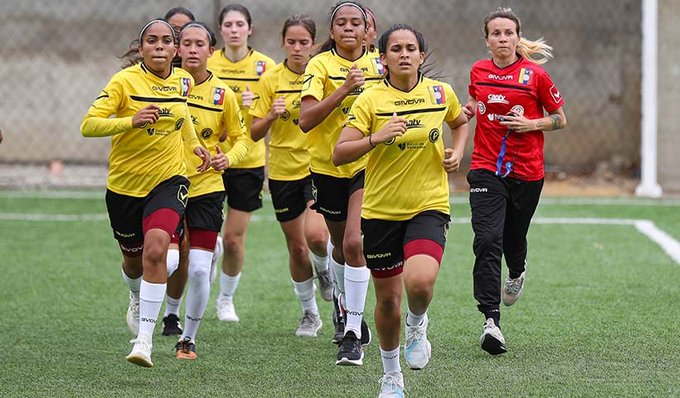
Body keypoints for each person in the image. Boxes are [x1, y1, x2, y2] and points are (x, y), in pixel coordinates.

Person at [334, 23, 469, 397]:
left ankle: (417, 322)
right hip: (380, 212)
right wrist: (375, 137)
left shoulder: (440, 92)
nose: (404, 54)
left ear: (421, 56)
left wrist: (457, 153)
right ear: (384, 58)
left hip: (428, 205)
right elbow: (339, 152)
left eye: (411, 48)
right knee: (388, 300)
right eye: (396, 49)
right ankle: (391, 375)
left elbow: (459, 122)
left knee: (420, 282)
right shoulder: (370, 100)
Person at [81, 19, 211, 367]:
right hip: (124, 187)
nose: (158, 46)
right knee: (133, 260)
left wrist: (196, 146)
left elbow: (182, 120)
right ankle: (136, 295)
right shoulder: (124, 81)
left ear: (175, 49)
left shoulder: (183, 80)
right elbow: (89, 125)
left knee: (158, 249)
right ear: (141, 49)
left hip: (169, 180)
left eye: (166, 41)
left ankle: (145, 341)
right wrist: (131, 121)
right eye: (151, 41)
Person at [462, 7, 567, 356]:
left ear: (517, 37)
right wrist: (462, 112)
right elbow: (473, 103)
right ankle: (491, 321)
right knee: (488, 238)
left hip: (527, 172)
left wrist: (531, 125)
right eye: (496, 33)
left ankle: (517, 270)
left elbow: (559, 119)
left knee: (512, 238)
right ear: (487, 39)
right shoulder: (478, 71)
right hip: (485, 168)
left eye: (509, 33)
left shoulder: (535, 75)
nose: (503, 39)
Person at [299, 0, 383, 365]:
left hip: (369, 165)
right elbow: (305, 120)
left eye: (356, 23)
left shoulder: (381, 64)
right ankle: (340, 298)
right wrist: (343, 89)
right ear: (331, 32)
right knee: (337, 246)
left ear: (368, 31)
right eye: (341, 23)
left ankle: (353, 331)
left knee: (354, 243)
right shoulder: (320, 65)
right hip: (328, 166)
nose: (349, 28)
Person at [249, 15, 332, 337]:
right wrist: (271, 114)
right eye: (291, 42)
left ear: (313, 44)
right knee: (297, 249)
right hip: (282, 171)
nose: (297, 48)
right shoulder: (270, 79)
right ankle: (310, 314)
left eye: (304, 42)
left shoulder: (321, 74)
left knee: (316, 237)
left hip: (315, 166)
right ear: (283, 42)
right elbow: (254, 132)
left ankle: (324, 270)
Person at [172, 22, 252, 359]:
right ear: (178, 50)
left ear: (210, 50)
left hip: (206, 188)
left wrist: (228, 159)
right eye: (186, 43)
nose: (192, 49)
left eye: (199, 44)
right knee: (172, 260)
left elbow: (242, 139)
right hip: (165, 185)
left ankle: (187, 339)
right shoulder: (164, 86)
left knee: (201, 269)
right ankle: (152, 309)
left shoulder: (223, 95)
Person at [207, 4, 275, 323]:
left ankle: (225, 299)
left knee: (233, 239)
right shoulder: (208, 64)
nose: (234, 30)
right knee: (202, 235)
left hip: (247, 161)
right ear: (220, 30)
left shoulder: (266, 67)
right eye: (228, 24)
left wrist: (251, 108)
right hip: (208, 160)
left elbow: (265, 121)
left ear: (250, 29)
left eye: (240, 24)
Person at [161, 5, 197, 338]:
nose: (180, 42)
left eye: (185, 35)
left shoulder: (193, 81)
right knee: (168, 254)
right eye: (176, 35)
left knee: (185, 252)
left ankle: (171, 313)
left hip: (196, 176)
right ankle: (141, 295)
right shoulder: (140, 75)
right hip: (157, 175)